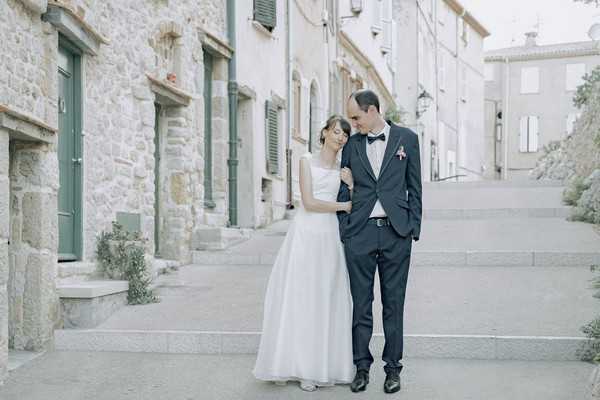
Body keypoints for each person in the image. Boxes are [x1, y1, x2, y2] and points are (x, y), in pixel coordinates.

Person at [253, 115, 356, 392]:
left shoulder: (343, 169)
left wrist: (351, 186)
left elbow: (356, 200)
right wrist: (342, 206)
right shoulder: (306, 161)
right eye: (336, 131)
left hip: (330, 237)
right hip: (307, 234)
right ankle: (300, 366)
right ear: (324, 133)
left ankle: (321, 364)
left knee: (325, 295)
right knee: (302, 295)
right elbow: (309, 202)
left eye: (345, 134)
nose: (340, 137)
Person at [337, 89, 423, 394]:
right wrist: (345, 229)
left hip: (396, 233)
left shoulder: (407, 139)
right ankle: (361, 367)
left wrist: (413, 228)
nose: (353, 123)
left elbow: (415, 186)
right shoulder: (353, 145)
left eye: (356, 117)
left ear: (372, 110)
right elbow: (343, 188)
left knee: (393, 305)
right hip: (359, 233)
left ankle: (393, 369)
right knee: (361, 305)